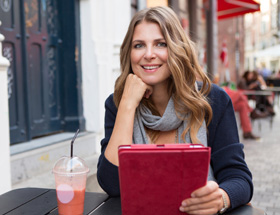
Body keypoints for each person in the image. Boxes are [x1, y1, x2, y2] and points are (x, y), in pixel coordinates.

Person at [97, 6, 253, 214]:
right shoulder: (118, 104)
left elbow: (239, 179)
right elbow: (112, 185)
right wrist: (127, 106)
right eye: (139, 45)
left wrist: (220, 199)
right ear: (129, 53)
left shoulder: (212, 100)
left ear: (177, 49)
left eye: (161, 44)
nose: (149, 54)